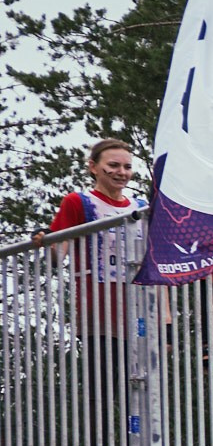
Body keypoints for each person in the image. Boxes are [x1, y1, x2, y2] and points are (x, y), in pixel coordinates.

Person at [49, 138, 147, 361]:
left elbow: (151, 263)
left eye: (127, 167)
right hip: (99, 311)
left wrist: (166, 319)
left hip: (140, 308)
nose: (121, 172)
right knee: (105, 386)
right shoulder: (78, 202)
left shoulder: (140, 208)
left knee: (144, 385)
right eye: (113, 165)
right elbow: (56, 256)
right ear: (93, 167)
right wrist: (45, 241)